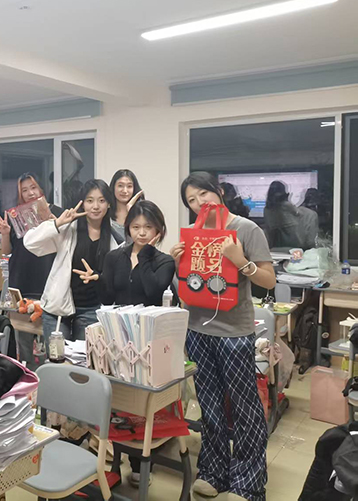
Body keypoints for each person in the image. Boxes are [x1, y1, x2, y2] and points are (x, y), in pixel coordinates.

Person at [169, 172, 275, 501]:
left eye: (203, 194)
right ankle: (213, 472)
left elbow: (269, 280)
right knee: (210, 406)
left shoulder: (246, 229)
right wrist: (177, 263)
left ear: (219, 192)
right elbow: (187, 288)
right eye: (191, 200)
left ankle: (248, 483)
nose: (199, 202)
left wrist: (241, 261)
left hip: (234, 332)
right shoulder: (193, 234)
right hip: (198, 330)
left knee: (244, 408)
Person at [100, 200, 174, 488]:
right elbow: (108, 297)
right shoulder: (114, 257)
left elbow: (154, 290)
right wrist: (97, 281)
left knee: (141, 406)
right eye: (135, 227)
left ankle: (142, 463)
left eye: (148, 227)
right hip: (116, 336)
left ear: (159, 230)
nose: (141, 233)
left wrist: (144, 257)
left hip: (147, 339)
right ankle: (113, 462)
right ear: (128, 228)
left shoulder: (164, 261)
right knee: (116, 402)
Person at [24, 179, 117, 345]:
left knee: (84, 359)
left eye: (101, 200)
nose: (95, 206)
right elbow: (30, 243)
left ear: (109, 204)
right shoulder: (68, 229)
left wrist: (97, 276)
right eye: (90, 200)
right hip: (57, 309)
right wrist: (58, 223)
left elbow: (114, 279)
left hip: (91, 309)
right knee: (57, 357)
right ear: (82, 203)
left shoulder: (114, 237)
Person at [0, 173, 62, 365]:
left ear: (41, 188)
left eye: (33, 187)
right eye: (24, 190)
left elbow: (63, 242)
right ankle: (27, 374)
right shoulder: (15, 216)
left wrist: (50, 219)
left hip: (48, 281)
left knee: (49, 339)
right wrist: (5, 234)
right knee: (23, 339)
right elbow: (8, 251)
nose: (30, 193)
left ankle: (49, 376)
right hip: (21, 281)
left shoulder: (56, 211)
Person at [263, 180, 318, 249]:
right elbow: (310, 243)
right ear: (287, 196)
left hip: (274, 251)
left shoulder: (268, 211)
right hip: (299, 252)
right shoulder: (310, 215)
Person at [108, 169, 144, 244]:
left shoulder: (142, 213)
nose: (125, 191)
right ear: (113, 187)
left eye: (129, 186)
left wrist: (132, 211)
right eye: (120, 186)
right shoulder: (105, 212)